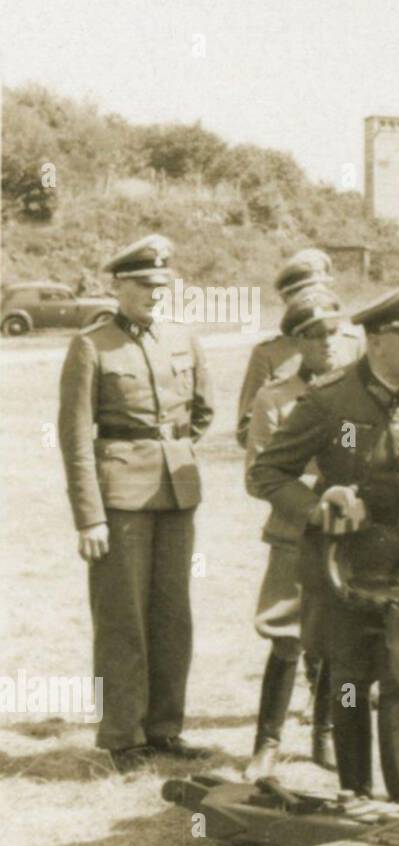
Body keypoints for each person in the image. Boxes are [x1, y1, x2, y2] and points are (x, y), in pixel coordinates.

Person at [249, 276, 399, 802]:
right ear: (379, 341)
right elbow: (267, 473)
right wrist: (318, 509)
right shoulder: (330, 400)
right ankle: (355, 793)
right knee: (347, 677)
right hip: (344, 567)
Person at [57, 234, 214, 771]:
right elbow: (76, 437)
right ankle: (123, 736)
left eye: (161, 285)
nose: (154, 293)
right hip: (119, 498)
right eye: (144, 285)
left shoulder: (182, 337)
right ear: (117, 285)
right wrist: (90, 515)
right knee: (123, 618)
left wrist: (171, 446)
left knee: (174, 614)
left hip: (176, 493)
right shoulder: (92, 345)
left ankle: (165, 729)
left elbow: (203, 410)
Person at [243, 288, 353, 779]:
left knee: (332, 636)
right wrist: (317, 492)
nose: (327, 344)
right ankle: (267, 742)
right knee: (286, 635)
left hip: (343, 536)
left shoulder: (354, 392)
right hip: (292, 532)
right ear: (295, 343)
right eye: (314, 336)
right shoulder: (275, 397)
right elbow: (257, 475)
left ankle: (324, 733)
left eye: (333, 332)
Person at [235, 249, 359, 448]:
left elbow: (360, 412)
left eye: (322, 293)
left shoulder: (352, 344)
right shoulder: (268, 353)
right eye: (306, 295)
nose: (315, 301)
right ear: (288, 300)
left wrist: (347, 444)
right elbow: (247, 430)